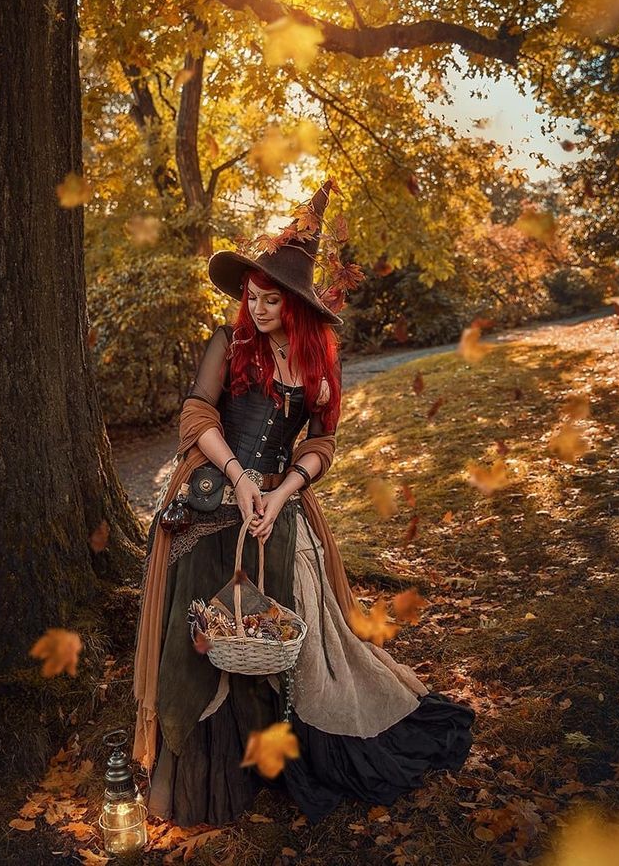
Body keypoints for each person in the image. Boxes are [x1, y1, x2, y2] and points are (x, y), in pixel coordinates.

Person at [131, 179, 476, 827]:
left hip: (281, 499)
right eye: (251, 298)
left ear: (296, 306)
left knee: (302, 612)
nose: (256, 310)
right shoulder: (227, 346)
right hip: (211, 488)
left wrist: (283, 491)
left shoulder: (319, 370)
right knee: (205, 621)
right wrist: (239, 480)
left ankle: (285, 746)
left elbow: (323, 442)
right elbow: (196, 415)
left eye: (269, 301)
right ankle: (207, 776)